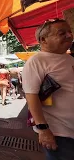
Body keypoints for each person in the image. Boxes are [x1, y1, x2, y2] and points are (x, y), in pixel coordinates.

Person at [22, 19, 74, 160]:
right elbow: (31, 96)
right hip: (59, 134)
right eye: (62, 33)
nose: (69, 35)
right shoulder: (36, 61)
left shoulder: (69, 59)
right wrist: (43, 130)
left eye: (70, 31)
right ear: (43, 40)